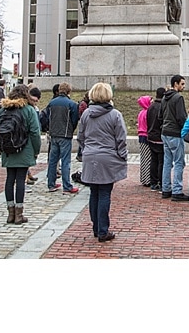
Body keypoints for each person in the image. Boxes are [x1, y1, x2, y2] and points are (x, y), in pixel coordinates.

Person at [78, 83, 128, 242]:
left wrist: (87, 149)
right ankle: (102, 230)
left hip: (90, 156)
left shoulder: (86, 114)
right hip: (107, 157)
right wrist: (122, 155)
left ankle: (96, 227)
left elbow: (81, 136)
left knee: (94, 193)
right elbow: (121, 138)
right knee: (105, 193)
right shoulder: (115, 115)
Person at [0, 85, 43, 224]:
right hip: (24, 148)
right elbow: (35, 132)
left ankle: (10, 212)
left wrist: (1, 148)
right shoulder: (29, 110)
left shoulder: (3, 109)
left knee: (9, 179)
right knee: (20, 181)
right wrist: (36, 150)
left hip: (8, 149)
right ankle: (19, 213)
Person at [42, 82, 80, 193]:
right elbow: (74, 120)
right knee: (65, 161)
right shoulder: (72, 104)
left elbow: (47, 117)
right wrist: (70, 130)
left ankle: (51, 184)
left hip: (54, 134)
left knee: (53, 160)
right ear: (69, 91)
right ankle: (67, 186)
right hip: (65, 134)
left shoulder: (51, 103)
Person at [159, 75, 189, 201]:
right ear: (175, 84)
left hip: (165, 132)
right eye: (182, 84)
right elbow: (181, 117)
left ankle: (166, 189)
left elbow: (160, 115)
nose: (183, 86)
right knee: (178, 162)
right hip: (175, 133)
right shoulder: (178, 98)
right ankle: (177, 190)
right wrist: (185, 129)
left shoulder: (164, 98)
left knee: (167, 161)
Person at [143, 87, 165, 191]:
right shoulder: (162, 107)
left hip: (151, 136)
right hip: (159, 137)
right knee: (161, 161)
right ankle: (161, 182)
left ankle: (153, 182)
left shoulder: (150, 107)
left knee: (154, 160)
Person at [136, 94, 154, 187]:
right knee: (148, 158)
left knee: (144, 158)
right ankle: (148, 179)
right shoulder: (147, 113)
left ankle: (143, 178)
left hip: (141, 136)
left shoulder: (141, 112)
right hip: (146, 135)